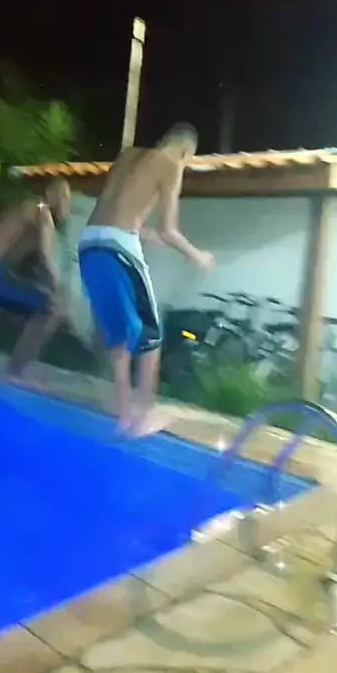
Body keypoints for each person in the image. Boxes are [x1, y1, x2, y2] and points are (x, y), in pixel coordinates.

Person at [78, 123, 214, 437]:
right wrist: (197, 256)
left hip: (89, 244)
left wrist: (140, 232)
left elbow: (116, 210)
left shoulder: (127, 157)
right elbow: (169, 230)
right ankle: (145, 415)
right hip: (118, 246)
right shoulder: (171, 164)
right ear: (185, 151)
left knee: (119, 335)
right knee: (150, 334)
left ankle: (125, 416)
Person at [0, 178, 71, 383]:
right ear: (49, 193)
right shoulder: (42, 210)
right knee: (52, 309)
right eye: (63, 196)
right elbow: (46, 257)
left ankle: (9, 360)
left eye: (68, 199)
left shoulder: (22, 206)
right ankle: (14, 374)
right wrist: (58, 292)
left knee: (29, 306)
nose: (66, 204)